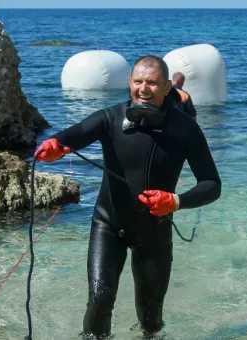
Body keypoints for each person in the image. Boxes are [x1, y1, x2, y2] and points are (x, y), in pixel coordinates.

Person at [34, 55, 221, 338]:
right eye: (138, 81)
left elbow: (211, 183)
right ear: (130, 83)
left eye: (152, 83)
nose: (144, 88)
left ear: (168, 87)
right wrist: (55, 145)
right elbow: (75, 134)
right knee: (100, 299)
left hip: (155, 230)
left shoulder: (186, 129)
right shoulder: (110, 118)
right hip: (108, 224)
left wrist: (176, 201)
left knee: (151, 318)